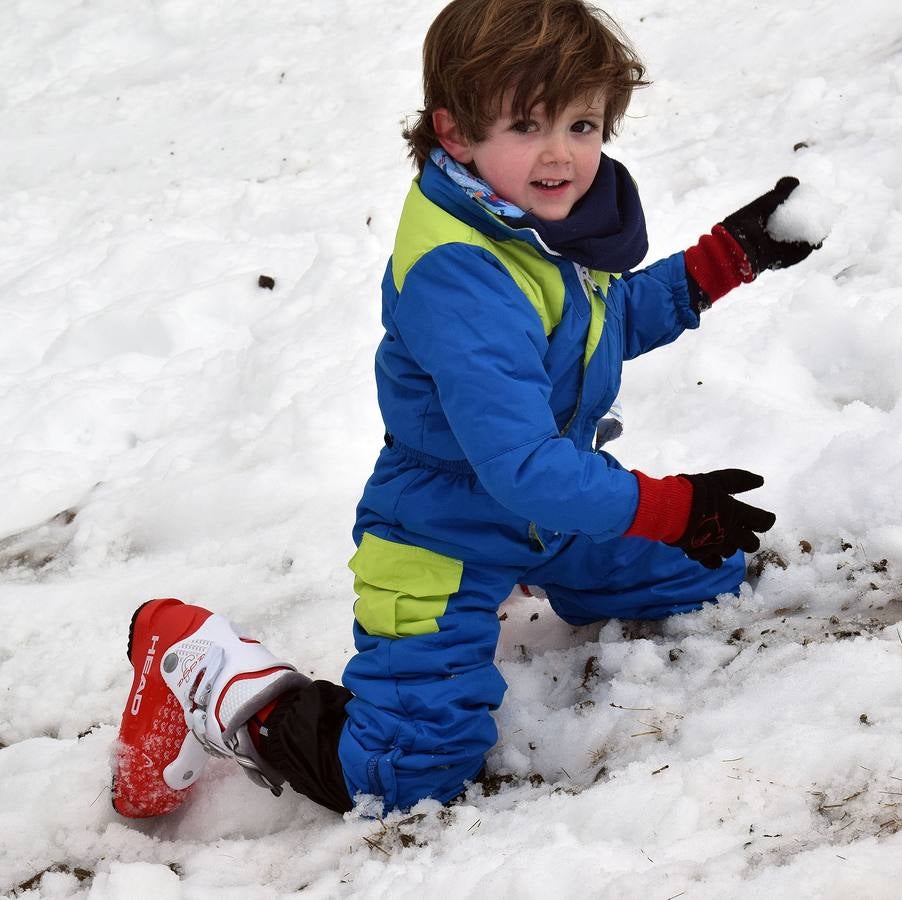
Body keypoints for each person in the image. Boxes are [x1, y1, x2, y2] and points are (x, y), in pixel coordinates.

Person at [110, 0, 820, 819]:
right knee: (405, 773)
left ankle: (540, 567)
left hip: (539, 507)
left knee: (709, 572)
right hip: (442, 527)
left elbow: (598, 324)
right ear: (455, 134)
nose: (561, 153)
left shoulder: (528, 221)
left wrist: (726, 259)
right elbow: (521, 464)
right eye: (527, 125)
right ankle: (208, 666)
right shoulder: (461, 271)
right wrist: (665, 505)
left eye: (582, 124)